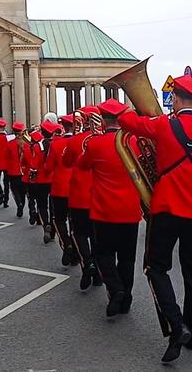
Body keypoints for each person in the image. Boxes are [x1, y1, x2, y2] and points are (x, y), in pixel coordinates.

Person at [119, 75, 192, 363]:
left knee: (156, 267)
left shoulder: (164, 125)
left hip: (165, 207)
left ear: (174, 99)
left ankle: (177, 327)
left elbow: (127, 123)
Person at [78, 99, 142, 316]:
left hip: (104, 211)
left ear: (103, 120)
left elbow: (81, 165)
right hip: (130, 210)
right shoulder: (133, 142)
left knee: (104, 255)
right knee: (127, 258)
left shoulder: (95, 143)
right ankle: (126, 299)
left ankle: (116, 290)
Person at [63, 106, 103, 290]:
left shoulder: (73, 141)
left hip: (79, 196)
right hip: (98, 196)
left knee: (78, 233)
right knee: (96, 236)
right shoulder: (103, 140)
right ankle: (98, 271)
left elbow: (66, 162)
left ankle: (88, 263)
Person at [45, 114, 77, 266]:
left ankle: (67, 243)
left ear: (63, 126)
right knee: (74, 222)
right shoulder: (81, 142)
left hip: (59, 188)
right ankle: (77, 252)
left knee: (59, 220)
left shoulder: (56, 144)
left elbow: (48, 167)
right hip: (76, 189)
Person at [6, 122, 29, 218]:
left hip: (13, 171)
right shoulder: (27, 144)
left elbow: (6, 157)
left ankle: (19, 203)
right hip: (23, 171)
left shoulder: (9, 144)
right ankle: (22, 204)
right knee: (23, 191)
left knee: (15, 189)